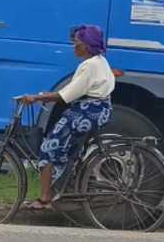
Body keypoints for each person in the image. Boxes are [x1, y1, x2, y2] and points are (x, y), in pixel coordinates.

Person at [16, 24, 115, 210]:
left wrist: (36, 98)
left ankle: (45, 198)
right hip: (99, 109)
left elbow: (65, 95)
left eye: (76, 42)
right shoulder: (100, 61)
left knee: (48, 148)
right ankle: (63, 185)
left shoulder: (89, 66)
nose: (73, 46)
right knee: (67, 150)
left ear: (86, 45)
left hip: (87, 112)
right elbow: (74, 90)